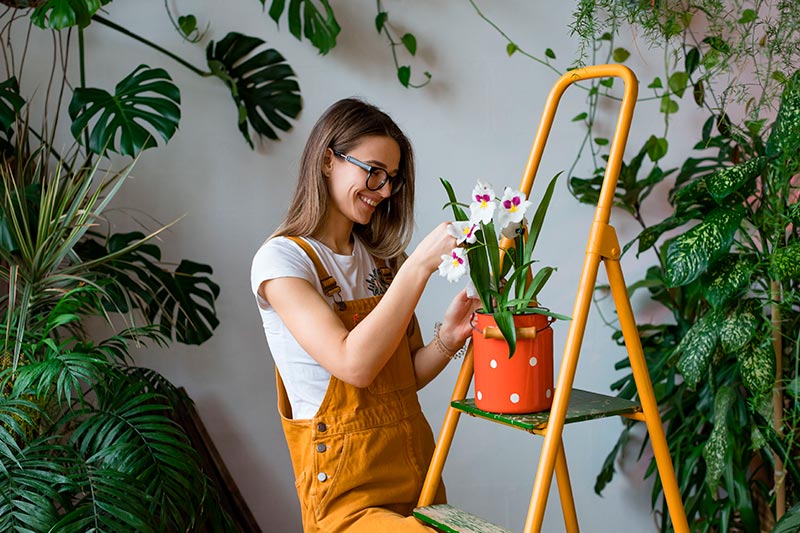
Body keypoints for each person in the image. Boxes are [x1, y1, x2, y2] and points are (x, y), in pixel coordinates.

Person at [250, 97, 478, 532]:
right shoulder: (281, 262)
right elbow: (354, 364)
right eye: (373, 171)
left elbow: (400, 377)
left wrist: (449, 338)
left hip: (416, 471)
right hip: (347, 494)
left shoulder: (383, 260)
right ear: (327, 161)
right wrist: (418, 267)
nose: (385, 190)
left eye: (391, 179)